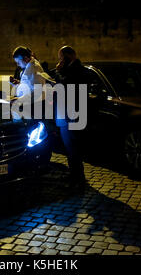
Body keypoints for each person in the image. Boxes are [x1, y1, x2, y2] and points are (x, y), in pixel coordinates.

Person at [53, 45, 88, 187]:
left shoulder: (77, 69)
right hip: (66, 112)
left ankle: (77, 177)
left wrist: (59, 72)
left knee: (73, 147)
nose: (60, 60)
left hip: (72, 114)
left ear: (69, 56)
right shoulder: (70, 69)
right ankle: (74, 175)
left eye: (61, 57)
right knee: (70, 147)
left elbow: (65, 85)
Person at [10, 46, 54, 116]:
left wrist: (18, 99)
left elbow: (37, 91)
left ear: (26, 58)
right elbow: (30, 85)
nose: (17, 65)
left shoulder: (34, 69)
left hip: (34, 106)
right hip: (30, 104)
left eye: (18, 62)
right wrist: (18, 84)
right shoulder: (29, 65)